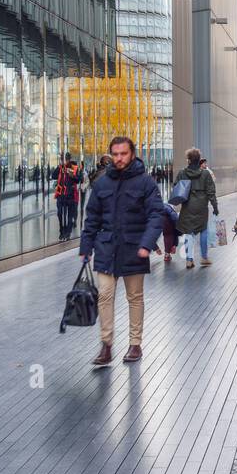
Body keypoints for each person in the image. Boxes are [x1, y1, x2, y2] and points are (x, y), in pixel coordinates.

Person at [79, 136, 165, 366]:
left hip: (134, 248)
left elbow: (156, 215)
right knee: (105, 295)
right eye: (115, 154)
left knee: (134, 298)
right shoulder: (102, 183)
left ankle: (135, 344)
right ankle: (106, 345)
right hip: (107, 248)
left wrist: (147, 244)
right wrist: (85, 247)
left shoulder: (146, 182)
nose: (119, 158)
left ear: (132, 154)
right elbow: (92, 218)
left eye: (123, 154)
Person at [174, 147, 218, 269]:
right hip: (202, 206)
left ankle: (189, 259)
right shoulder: (205, 174)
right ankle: (204, 257)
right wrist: (215, 207)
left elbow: (176, 187)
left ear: (188, 160)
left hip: (187, 206)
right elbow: (211, 192)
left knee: (189, 232)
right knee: (203, 230)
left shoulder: (182, 173)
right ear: (199, 160)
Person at [53, 153, 82, 240]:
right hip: (60, 195)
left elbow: (79, 179)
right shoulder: (61, 167)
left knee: (70, 216)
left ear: (69, 159)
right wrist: (59, 167)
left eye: (65, 159)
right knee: (60, 214)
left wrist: (73, 176)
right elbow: (53, 176)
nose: (64, 161)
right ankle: (62, 231)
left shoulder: (73, 167)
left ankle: (68, 233)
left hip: (70, 195)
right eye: (63, 159)